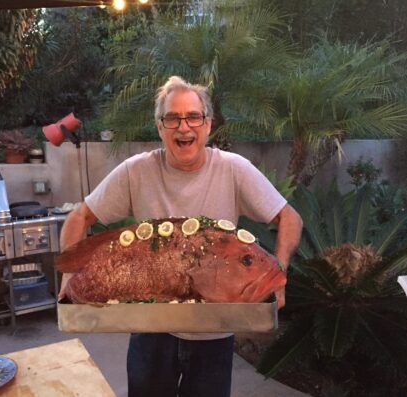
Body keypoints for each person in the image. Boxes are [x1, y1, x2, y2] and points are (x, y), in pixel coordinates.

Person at [59, 76, 303, 397]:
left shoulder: (233, 169)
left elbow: (290, 217)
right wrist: (68, 278)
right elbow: (80, 217)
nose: (183, 127)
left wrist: (280, 267)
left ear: (208, 124)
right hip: (151, 330)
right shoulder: (136, 171)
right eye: (172, 118)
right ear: (160, 127)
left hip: (214, 334)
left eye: (193, 117)